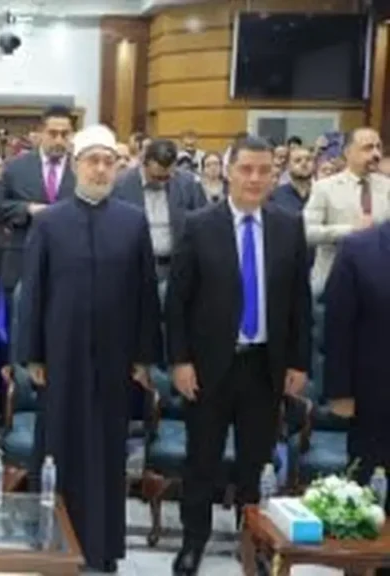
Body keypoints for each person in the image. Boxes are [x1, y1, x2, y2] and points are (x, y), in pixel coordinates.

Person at [17, 125, 161, 573]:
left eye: (108, 162)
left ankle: (101, 548)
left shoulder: (133, 221)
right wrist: (34, 355)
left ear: (117, 168)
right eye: (92, 161)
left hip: (115, 358)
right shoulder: (49, 221)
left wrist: (142, 357)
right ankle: (54, 545)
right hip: (61, 356)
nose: (100, 169)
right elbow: (34, 292)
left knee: (106, 452)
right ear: (76, 166)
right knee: (59, 449)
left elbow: (145, 292)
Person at [167, 136, 311, 576]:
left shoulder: (289, 225)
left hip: (264, 366)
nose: (255, 178)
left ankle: (254, 545)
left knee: (256, 463)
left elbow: (300, 303)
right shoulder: (198, 225)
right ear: (229, 171)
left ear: (274, 175)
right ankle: (193, 542)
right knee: (202, 461)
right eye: (246, 169)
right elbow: (177, 302)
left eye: (264, 170)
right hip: (209, 367)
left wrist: (298, 362)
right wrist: (180, 361)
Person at [323, 221, 390, 550]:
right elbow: (338, 327)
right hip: (374, 400)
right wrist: (340, 392)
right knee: (369, 502)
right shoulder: (358, 249)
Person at [0, 106, 76, 316]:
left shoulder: (79, 170)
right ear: (41, 133)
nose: (59, 140)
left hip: (68, 269)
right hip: (23, 264)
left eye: (65, 134)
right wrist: (27, 209)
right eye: (53, 133)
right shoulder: (17, 168)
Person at [304, 127, 390, 294]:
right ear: (348, 153)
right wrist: (350, 231)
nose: (376, 154)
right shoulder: (325, 188)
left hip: (379, 287)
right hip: (334, 283)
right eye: (368, 148)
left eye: (378, 147)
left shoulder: (387, 187)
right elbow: (306, 232)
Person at [111, 139, 208, 277]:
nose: (162, 182)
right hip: (136, 269)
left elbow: (202, 223)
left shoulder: (188, 184)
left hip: (177, 269)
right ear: (144, 164)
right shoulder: (120, 186)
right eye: (156, 177)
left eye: (167, 177)